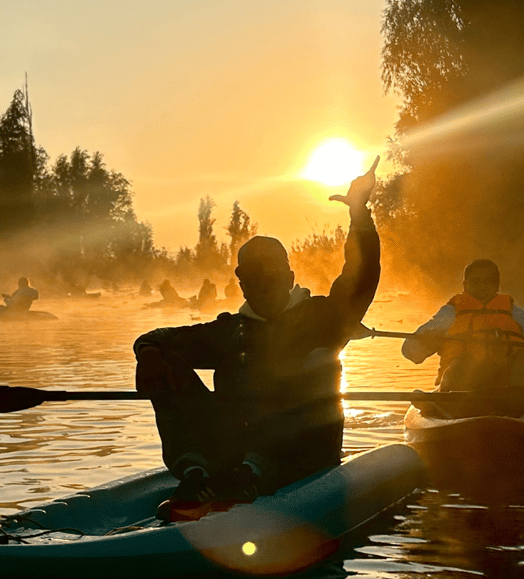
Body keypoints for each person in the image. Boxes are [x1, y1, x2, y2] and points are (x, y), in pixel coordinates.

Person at [134, 157, 380, 521]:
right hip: (230, 454)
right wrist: (149, 351)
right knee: (163, 359)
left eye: (270, 273)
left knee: (312, 370)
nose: (260, 283)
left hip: (302, 454)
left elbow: (361, 275)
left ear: (289, 275)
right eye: (251, 275)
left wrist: (359, 215)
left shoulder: (326, 317)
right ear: (241, 281)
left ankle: (252, 473)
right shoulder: (229, 331)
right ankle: (197, 474)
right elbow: (158, 337)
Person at [401, 259, 524, 392]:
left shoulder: (512, 311)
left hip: (505, 384)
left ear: (496, 286)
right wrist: (426, 341)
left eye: (487, 282)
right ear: (465, 285)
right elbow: (410, 350)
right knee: (464, 360)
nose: (482, 287)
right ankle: (454, 405)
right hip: (461, 388)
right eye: (476, 282)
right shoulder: (450, 312)